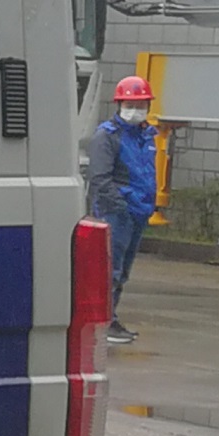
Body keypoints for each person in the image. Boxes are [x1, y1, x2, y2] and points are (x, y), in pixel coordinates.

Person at [86, 73, 160, 343]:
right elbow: (99, 178)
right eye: (130, 105)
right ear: (119, 105)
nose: (135, 110)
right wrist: (120, 206)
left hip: (137, 212)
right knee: (109, 271)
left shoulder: (146, 136)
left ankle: (109, 318)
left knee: (122, 272)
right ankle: (102, 323)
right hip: (116, 214)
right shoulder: (107, 136)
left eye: (140, 105)